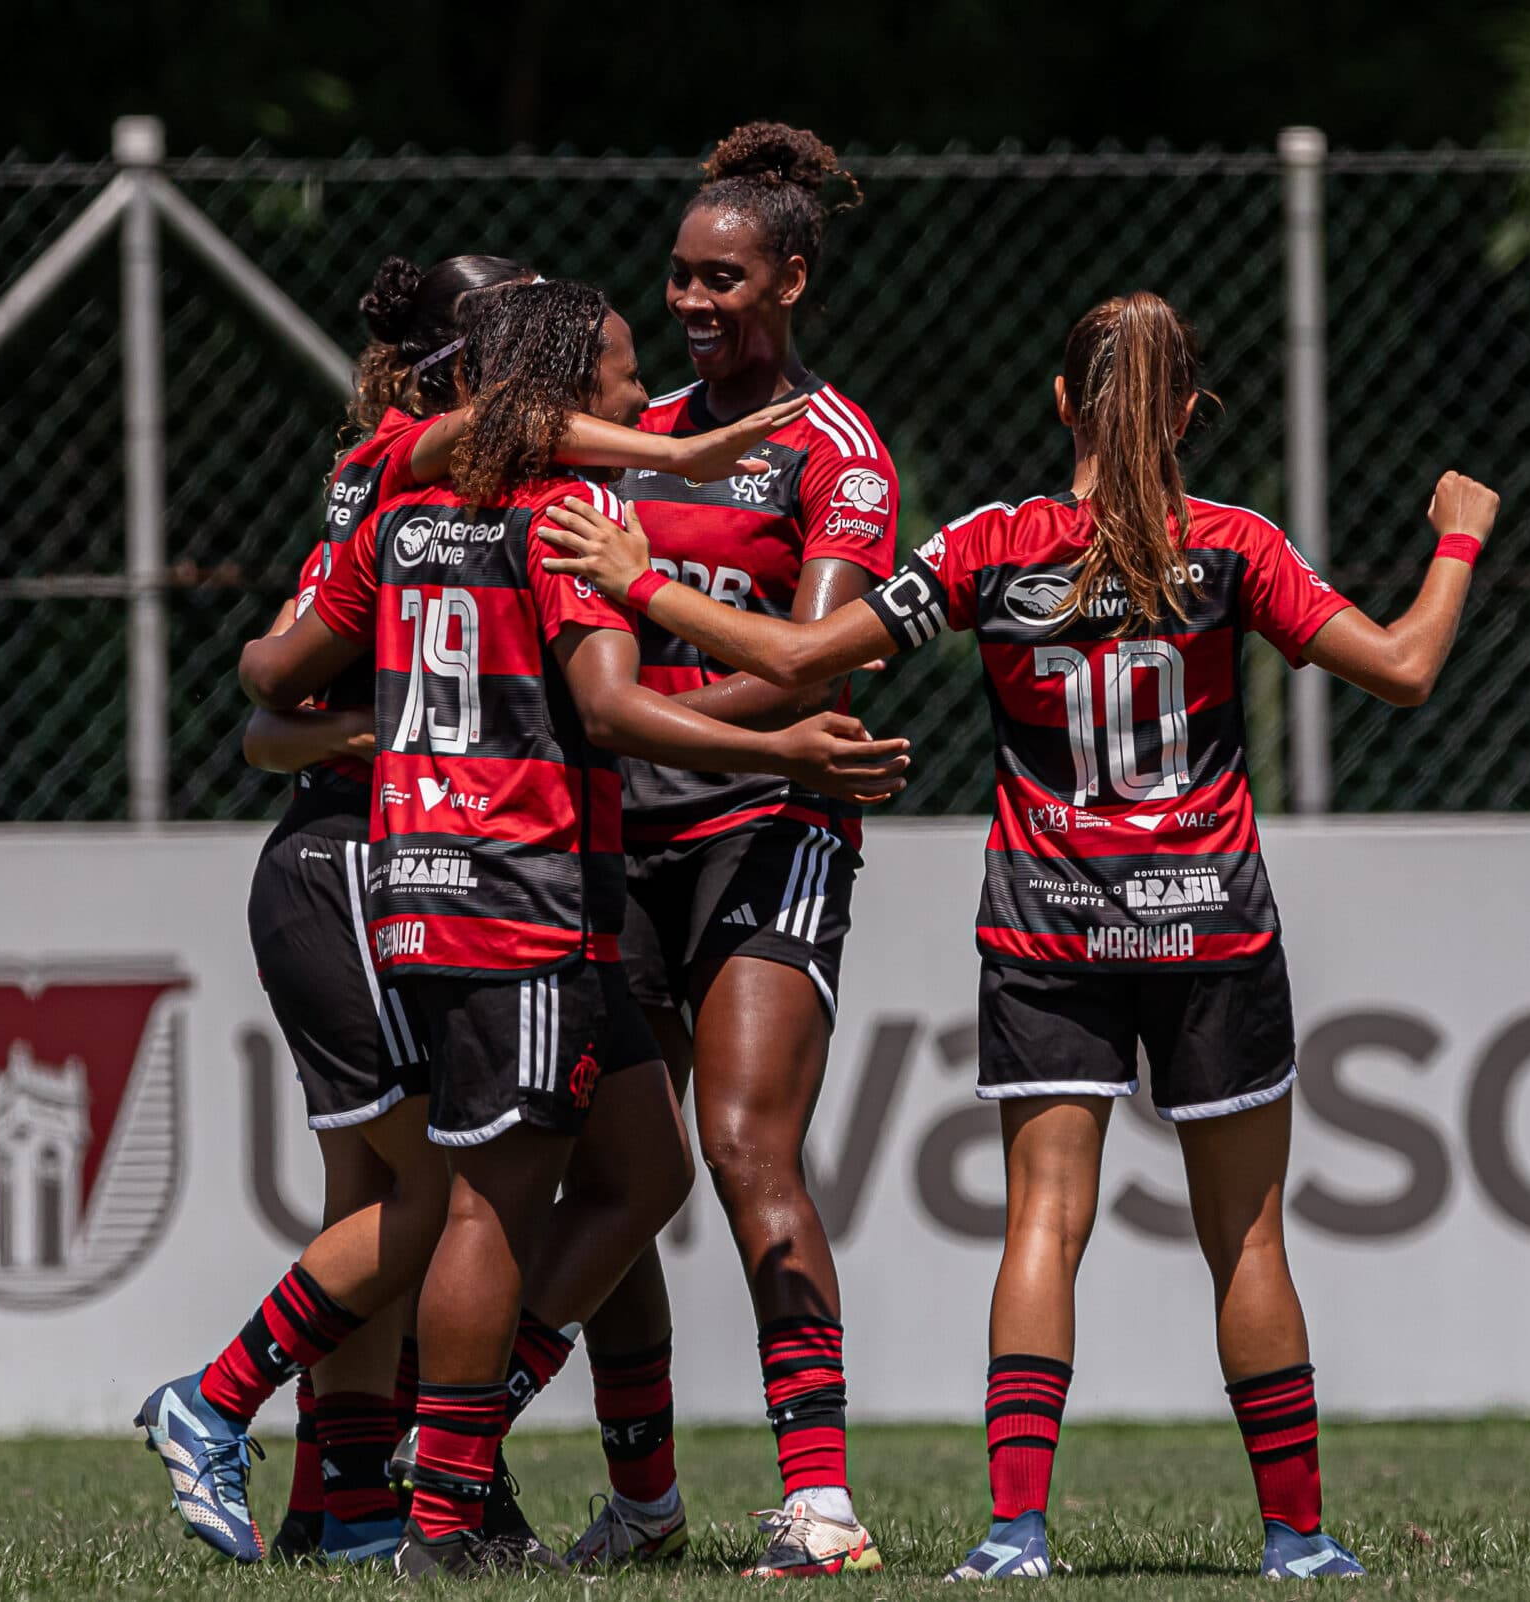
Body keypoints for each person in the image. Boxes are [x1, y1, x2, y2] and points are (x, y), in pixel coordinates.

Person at [540, 289, 1501, 1583]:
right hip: (1211, 923)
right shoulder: (1233, 545)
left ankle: (1014, 1534)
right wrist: (1455, 542)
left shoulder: (989, 546)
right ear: (1191, 410)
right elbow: (1403, 668)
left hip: (1051, 928)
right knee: (1251, 1240)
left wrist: (640, 582)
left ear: (1063, 402)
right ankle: (1298, 1540)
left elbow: (801, 644)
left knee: (1043, 1224)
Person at [136, 253, 815, 1568]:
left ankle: (372, 1493)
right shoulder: (528, 503)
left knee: (630, 1170)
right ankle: (340, 1459)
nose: (649, 407)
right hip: (498, 888)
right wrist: (789, 720)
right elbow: (610, 700)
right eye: (625, 384)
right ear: (544, 393)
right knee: (462, 1201)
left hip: (453, 880)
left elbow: (270, 673)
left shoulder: (405, 508)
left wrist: (395, 709)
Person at [565, 122, 902, 1580]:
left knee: (747, 1141)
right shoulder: (649, 444)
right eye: (682, 279)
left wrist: (667, 711)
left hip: (769, 818)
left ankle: (820, 1500)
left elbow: (813, 669)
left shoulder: (837, 451)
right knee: (620, 1173)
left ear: (793, 283)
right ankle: (644, 1502)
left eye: (725, 279)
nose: (696, 303)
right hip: (621, 830)